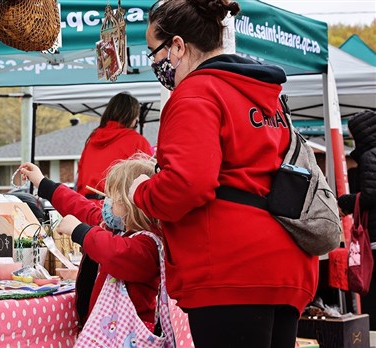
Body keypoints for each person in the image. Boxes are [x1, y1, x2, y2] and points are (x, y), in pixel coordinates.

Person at [127, 0, 318, 347]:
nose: (153, 62)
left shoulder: (195, 95)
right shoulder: (265, 95)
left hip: (230, 271)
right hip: (286, 265)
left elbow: (188, 184)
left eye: (153, 51)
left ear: (178, 46)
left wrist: (141, 190)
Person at [19, 154, 163, 332]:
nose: (106, 203)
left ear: (130, 204)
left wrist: (81, 232)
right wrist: (43, 183)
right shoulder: (115, 228)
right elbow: (81, 207)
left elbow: (115, 252)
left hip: (129, 338)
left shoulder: (148, 245)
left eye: (112, 197)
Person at [75, 92, 152, 203]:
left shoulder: (91, 140)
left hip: (87, 207)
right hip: (117, 210)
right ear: (132, 116)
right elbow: (147, 182)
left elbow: (80, 180)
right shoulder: (138, 142)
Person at [337, 109, 376, 330]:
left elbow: (371, 194)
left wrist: (345, 201)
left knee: (371, 290)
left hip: (374, 239)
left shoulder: (371, 155)